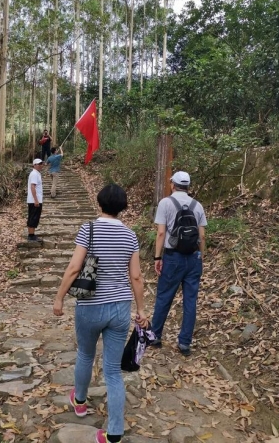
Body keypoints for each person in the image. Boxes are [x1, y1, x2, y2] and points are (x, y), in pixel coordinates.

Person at [53, 184, 148, 443]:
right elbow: (136, 277)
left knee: (85, 353)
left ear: (99, 203)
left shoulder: (89, 229)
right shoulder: (130, 236)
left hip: (90, 306)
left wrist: (60, 297)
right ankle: (114, 433)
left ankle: (80, 402)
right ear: (123, 207)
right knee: (113, 371)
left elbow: (74, 267)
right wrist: (140, 310)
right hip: (120, 308)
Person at [150, 171, 207, 356]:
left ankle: (156, 336)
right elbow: (202, 236)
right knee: (190, 301)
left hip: (172, 257)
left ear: (173, 184)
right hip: (193, 258)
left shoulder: (165, 203)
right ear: (188, 186)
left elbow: (160, 233)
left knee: (164, 296)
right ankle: (184, 343)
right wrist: (201, 257)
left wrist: (157, 258)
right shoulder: (197, 205)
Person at [27, 158, 44, 242]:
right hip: (34, 200)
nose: (41, 165)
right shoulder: (34, 174)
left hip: (36, 199)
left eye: (41, 164)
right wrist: (36, 200)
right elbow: (32, 186)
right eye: (39, 164)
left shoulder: (37, 173)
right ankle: (31, 235)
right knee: (33, 217)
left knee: (34, 217)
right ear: (34, 165)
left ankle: (32, 234)